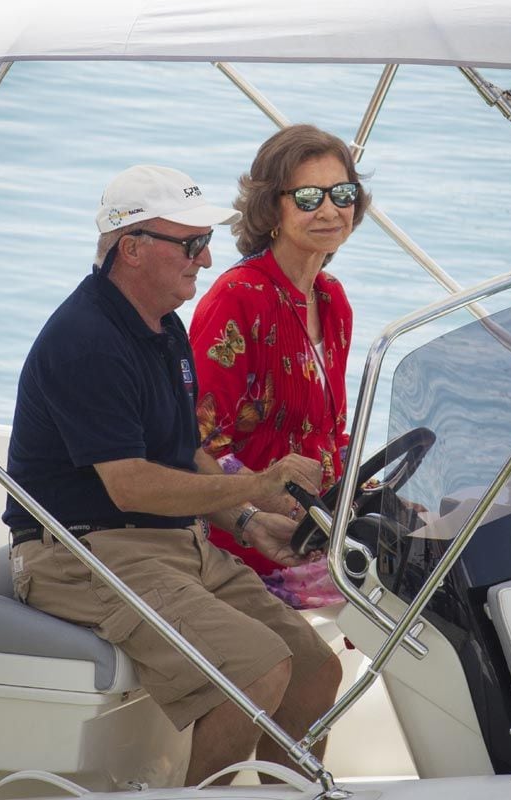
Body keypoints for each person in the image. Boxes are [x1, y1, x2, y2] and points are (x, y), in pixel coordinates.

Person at [3, 164, 342, 784]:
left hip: (168, 544)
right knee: (255, 669)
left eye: (204, 242)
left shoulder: (164, 326)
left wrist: (245, 521)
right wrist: (260, 484)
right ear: (131, 249)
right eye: (190, 245)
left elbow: (182, 452)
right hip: (81, 552)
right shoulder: (86, 341)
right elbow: (130, 484)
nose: (207, 259)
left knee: (317, 668)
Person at [189, 125, 371, 605]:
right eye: (309, 197)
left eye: (343, 193)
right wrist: (265, 505)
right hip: (246, 541)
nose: (331, 209)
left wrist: (369, 488)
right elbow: (197, 440)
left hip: (316, 534)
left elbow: (329, 434)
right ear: (272, 207)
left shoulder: (333, 300)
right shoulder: (238, 298)